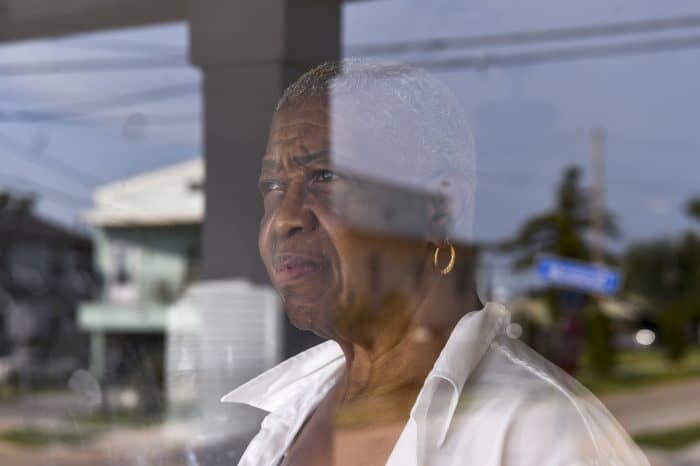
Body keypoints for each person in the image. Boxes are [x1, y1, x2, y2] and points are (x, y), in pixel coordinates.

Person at [221, 59, 648, 466]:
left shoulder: (540, 434)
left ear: (438, 207)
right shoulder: (289, 416)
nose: (284, 219)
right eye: (274, 185)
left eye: (325, 177)